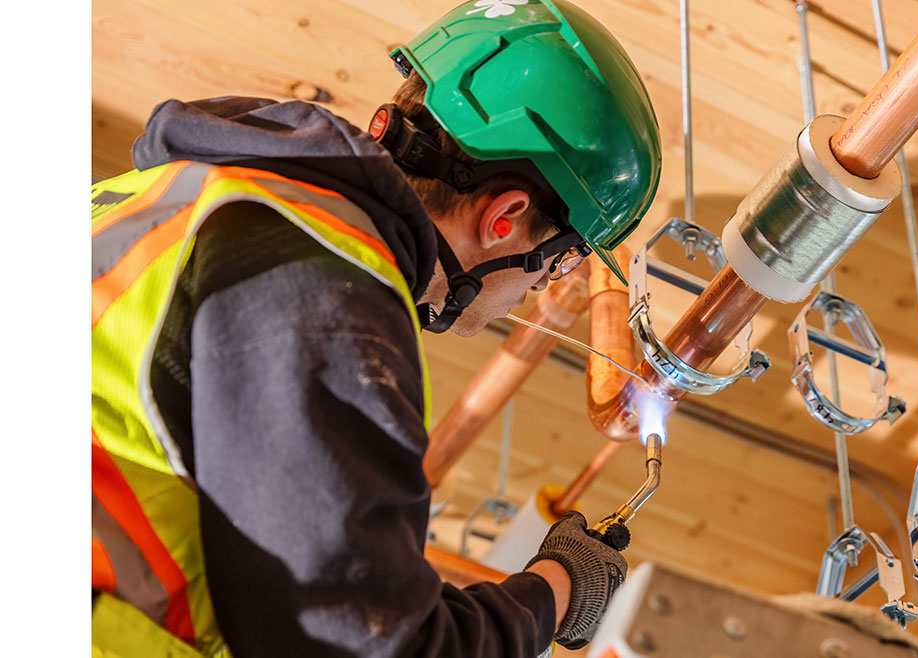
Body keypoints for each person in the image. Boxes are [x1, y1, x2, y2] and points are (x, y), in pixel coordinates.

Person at [90, 1, 661, 656]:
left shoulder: (180, 194)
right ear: (505, 217)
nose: (544, 288)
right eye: (559, 261)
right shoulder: (320, 288)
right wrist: (559, 589)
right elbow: (372, 648)